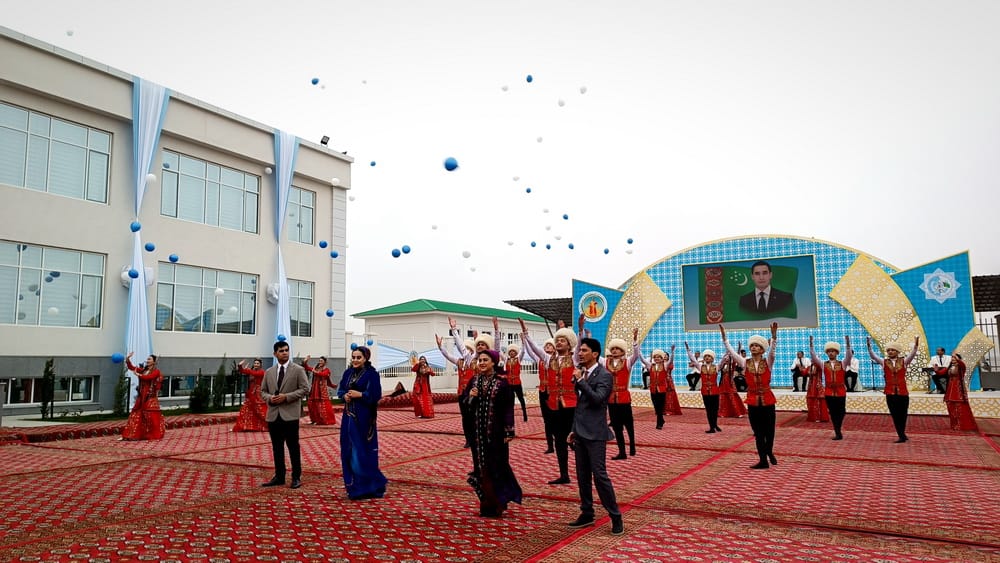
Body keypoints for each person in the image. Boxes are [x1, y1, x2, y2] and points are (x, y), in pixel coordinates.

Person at [567, 337, 624, 536]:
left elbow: (598, 400)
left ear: (595, 354)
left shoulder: (605, 376)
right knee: (582, 476)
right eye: (579, 350)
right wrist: (573, 429)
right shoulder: (581, 373)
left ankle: (615, 516)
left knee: (599, 476)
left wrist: (581, 381)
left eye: (583, 350)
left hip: (596, 434)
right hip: (581, 432)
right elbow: (581, 405)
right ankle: (587, 512)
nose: (580, 353)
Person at [463, 349, 523, 518]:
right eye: (480, 360)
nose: (481, 363)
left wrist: (509, 430)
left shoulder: (501, 383)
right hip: (478, 434)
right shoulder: (474, 381)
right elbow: (465, 404)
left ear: (493, 363)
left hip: (496, 433)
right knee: (480, 468)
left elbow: (508, 409)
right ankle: (486, 505)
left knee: (497, 466)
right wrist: (471, 397)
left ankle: (499, 502)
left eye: (485, 360)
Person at [521, 317, 579, 485]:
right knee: (559, 440)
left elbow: (580, 342)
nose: (559, 343)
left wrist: (580, 330)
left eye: (563, 340)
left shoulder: (574, 359)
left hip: (571, 405)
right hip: (554, 405)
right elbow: (535, 349)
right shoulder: (548, 360)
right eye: (558, 340)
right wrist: (525, 333)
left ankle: (584, 472)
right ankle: (564, 474)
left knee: (577, 440)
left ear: (569, 344)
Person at [722, 322, 779, 469]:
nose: (753, 347)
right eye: (752, 345)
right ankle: (763, 460)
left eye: (757, 346)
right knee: (758, 432)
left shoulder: (768, 362)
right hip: (753, 401)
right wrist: (725, 339)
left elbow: (772, 352)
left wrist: (774, 337)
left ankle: (769, 452)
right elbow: (733, 354)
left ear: (762, 349)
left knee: (770, 431)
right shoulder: (745, 362)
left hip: (767, 400)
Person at [337, 346, 388, 500]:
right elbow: (340, 390)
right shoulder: (348, 373)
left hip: (364, 418)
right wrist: (344, 395)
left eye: (358, 357)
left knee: (361, 451)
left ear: (365, 358)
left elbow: (375, 395)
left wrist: (360, 394)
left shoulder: (372, 374)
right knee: (348, 450)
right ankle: (355, 487)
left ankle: (371, 486)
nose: (355, 360)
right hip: (348, 417)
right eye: (353, 357)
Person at [261, 340, 310, 489]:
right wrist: (270, 398)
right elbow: (262, 391)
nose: (285, 353)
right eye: (281, 351)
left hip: (290, 415)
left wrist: (286, 397)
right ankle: (279, 476)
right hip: (274, 415)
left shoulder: (298, 370)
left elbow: (305, 389)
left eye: (287, 350)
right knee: (277, 447)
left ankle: (296, 477)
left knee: (293, 446)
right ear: (275, 354)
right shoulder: (269, 372)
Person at [596, 327, 641, 460]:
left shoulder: (627, 362)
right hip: (611, 398)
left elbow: (636, 355)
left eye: (618, 349)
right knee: (616, 426)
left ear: (622, 351)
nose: (615, 351)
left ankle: (632, 444)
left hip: (623, 398)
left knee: (629, 424)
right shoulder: (605, 362)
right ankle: (622, 451)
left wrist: (634, 340)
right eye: (613, 349)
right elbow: (596, 355)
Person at [866, 336, 919, 443]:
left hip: (902, 392)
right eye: (889, 350)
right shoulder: (883, 362)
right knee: (894, 414)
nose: (890, 352)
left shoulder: (904, 361)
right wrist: (869, 345)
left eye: (892, 350)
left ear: (897, 351)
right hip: (890, 392)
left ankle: (902, 433)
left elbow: (912, 354)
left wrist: (916, 344)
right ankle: (901, 434)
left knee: (903, 414)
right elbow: (873, 356)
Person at [809, 336, 853, 440]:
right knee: (833, 412)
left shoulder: (842, 363)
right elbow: (814, 357)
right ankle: (837, 431)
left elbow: (849, 356)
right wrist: (811, 345)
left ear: (837, 353)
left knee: (842, 411)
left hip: (841, 391)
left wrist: (847, 343)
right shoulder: (824, 364)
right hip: (829, 392)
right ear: (827, 353)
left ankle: (838, 427)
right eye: (829, 351)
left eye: (833, 351)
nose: (831, 353)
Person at [436, 332, 475, 447]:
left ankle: (474, 437)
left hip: (472, 393)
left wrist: (476, 338)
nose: (465, 352)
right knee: (465, 417)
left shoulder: (474, 362)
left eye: (468, 349)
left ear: (472, 352)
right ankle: (468, 439)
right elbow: (447, 355)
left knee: (472, 416)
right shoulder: (459, 361)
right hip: (461, 393)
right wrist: (440, 346)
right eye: (465, 349)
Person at [524, 334, 558, 454]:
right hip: (543, 391)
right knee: (546, 420)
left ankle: (565, 441)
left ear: (554, 348)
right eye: (546, 345)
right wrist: (525, 340)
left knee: (557, 419)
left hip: (554, 392)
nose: (547, 347)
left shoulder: (557, 360)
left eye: (550, 345)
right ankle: (550, 445)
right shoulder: (540, 360)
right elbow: (532, 350)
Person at [121, 352, 165, 441]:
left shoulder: (156, 371)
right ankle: (133, 434)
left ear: (154, 362)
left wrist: (139, 375)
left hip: (150, 396)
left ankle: (152, 434)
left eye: (149, 359)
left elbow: (149, 377)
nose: (147, 360)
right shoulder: (144, 370)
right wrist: (128, 359)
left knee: (150, 415)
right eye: (147, 359)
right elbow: (132, 368)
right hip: (142, 395)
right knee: (136, 413)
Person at [636, 345, 681, 429]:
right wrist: (638, 350)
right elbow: (642, 359)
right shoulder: (650, 366)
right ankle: (661, 419)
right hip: (653, 389)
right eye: (655, 357)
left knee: (660, 406)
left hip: (662, 389)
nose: (656, 359)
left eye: (658, 357)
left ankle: (659, 423)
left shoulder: (665, 365)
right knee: (656, 406)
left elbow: (671, 360)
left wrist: (672, 352)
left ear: (662, 358)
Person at [686, 343, 722, 433]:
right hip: (705, 391)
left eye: (709, 357)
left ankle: (715, 424)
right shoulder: (701, 367)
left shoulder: (716, 367)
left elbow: (724, 360)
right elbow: (693, 359)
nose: (707, 358)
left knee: (715, 409)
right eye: (705, 356)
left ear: (712, 358)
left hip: (714, 391)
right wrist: (688, 350)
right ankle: (711, 427)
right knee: (709, 409)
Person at [944, 354, 978, 431]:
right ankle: (954, 425)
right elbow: (942, 372)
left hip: (958, 392)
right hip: (950, 391)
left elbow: (962, 363)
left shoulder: (961, 367)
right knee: (951, 409)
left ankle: (964, 426)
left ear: (959, 359)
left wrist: (957, 359)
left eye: (955, 357)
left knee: (960, 410)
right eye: (952, 357)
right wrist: (936, 370)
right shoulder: (950, 367)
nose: (953, 358)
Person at [233, 358, 268, 432]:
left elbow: (254, 373)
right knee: (246, 410)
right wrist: (240, 366)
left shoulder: (262, 372)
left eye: (257, 363)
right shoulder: (252, 371)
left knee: (260, 411)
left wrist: (247, 370)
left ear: (260, 365)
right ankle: (244, 426)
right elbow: (242, 371)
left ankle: (271, 425)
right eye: (255, 363)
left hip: (258, 395)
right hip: (251, 393)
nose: (256, 365)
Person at [302, 355, 337, 425]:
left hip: (321, 390)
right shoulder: (316, 369)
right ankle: (314, 420)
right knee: (311, 404)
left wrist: (315, 371)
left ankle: (326, 420)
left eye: (321, 361)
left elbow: (323, 374)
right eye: (319, 361)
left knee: (322, 405)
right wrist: (305, 361)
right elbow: (306, 367)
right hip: (314, 389)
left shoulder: (327, 370)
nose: (320, 362)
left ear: (325, 362)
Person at [718, 350, 747, 419]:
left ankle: (737, 413)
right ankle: (723, 413)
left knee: (732, 397)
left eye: (728, 359)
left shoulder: (732, 366)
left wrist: (738, 350)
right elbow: (721, 363)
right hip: (723, 383)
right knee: (723, 398)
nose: (727, 360)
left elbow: (735, 358)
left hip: (730, 384)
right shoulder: (722, 366)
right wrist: (725, 355)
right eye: (726, 359)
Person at [505, 344, 529, 422]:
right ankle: (510, 416)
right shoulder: (506, 360)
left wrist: (523, 342)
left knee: (521, 399)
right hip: (509, 384)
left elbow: (523, 351)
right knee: (510, 401)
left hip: (517, 383)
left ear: (516, 353)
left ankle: (525, 414)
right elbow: (498, 351)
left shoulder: (518, 359)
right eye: (510, 351)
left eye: (513, 351)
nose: (512, 353)